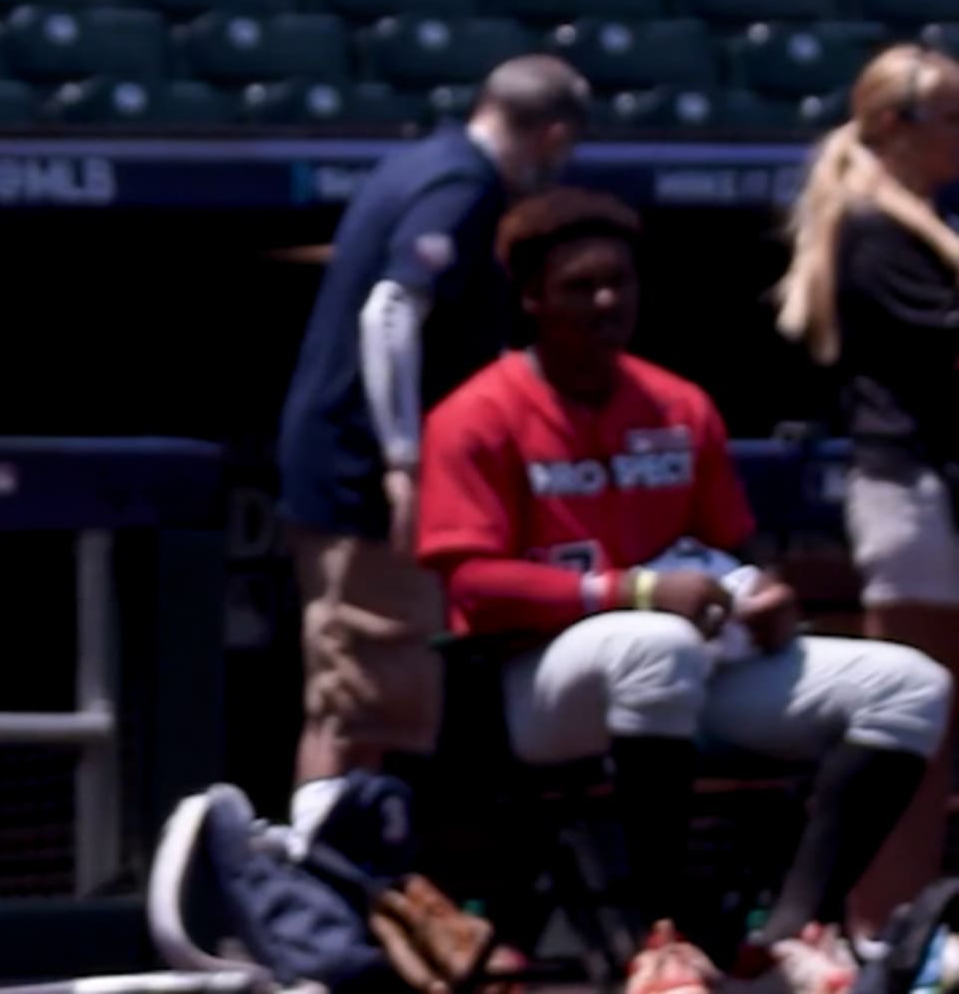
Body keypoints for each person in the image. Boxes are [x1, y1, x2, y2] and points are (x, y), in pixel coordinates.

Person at [420, 189, 952, 994]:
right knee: (653, 642)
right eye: (580, 287)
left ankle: (787, 933)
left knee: (911, 685)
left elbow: (733, 550)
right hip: (540, 686)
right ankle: (659, 938)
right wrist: (632, 591)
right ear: (532, 299)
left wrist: (765, 595)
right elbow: (472, 582)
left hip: (688, 674)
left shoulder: (676, 404)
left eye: (621, 284)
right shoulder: (477, 415)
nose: (607, 303)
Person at [275, 55, 592, 841]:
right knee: (368, 697)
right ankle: (329, 908)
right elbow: (389, 310)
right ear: (552, 134)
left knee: (351, 695)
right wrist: (406, 459)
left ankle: (322, 900)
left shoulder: (424, 160)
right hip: (362, 476)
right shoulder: (464, 183)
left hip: (341, 462)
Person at [771, 44, 959, 930]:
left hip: (922, 495)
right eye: (951, 116)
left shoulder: (911, 218)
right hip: (912, 497)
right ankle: (888, 935)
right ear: (894, 126)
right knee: (918, 736)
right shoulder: (876, 226)